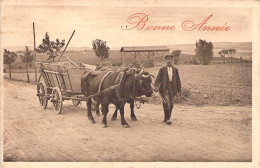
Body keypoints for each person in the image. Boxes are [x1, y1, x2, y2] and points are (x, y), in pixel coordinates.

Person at [154, 54, 181, 125]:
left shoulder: (175, 70)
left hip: (172, 89)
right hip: (164, 89)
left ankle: (166, 118)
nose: (169, 61)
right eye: (167, 59)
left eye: (170, 59)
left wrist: (179, 90)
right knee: (166, 103)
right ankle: (168, 118)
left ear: (172, 60)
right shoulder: (162, 69)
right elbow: (158, 79)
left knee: (171, 104)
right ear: (165, 61)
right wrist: (156, 86)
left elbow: (178, 80)